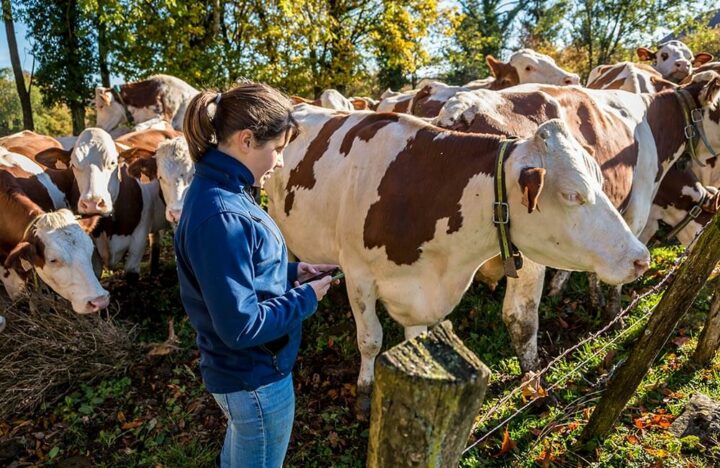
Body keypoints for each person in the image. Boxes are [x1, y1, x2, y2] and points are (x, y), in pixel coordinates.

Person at [175, 81, 337, 468]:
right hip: (255, 382)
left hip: (246, 378)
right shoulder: (222, 215)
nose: (280, 161)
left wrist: (293, 272)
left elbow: (242, 268)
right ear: (246, 141)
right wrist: (306, 298)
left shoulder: (227, 189)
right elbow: (240, 327)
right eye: (277, 150)